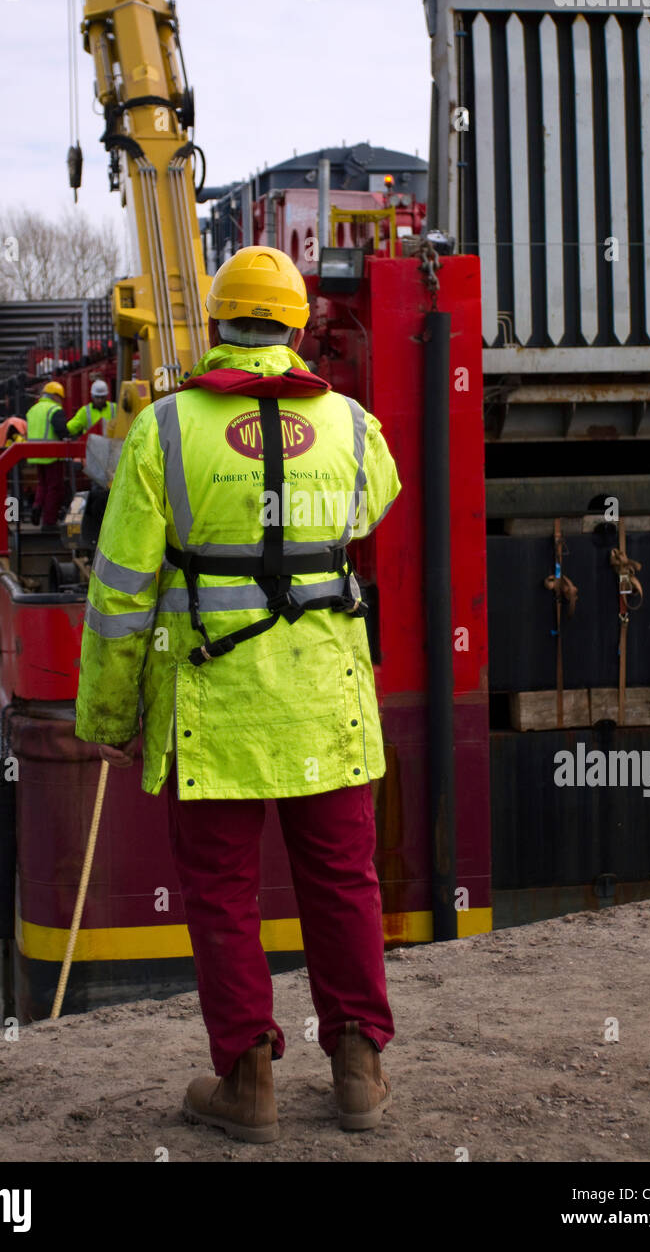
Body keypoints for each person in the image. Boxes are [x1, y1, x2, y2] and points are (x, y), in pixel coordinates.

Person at [75, 246, 401, 1144]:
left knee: (222, 892)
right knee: (342, 881)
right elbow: (377, 501)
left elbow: (120, 594)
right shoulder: (351, 424)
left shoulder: (166, 430)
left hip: (210, 708)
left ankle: (249, 1080)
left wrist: (107, 716)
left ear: (217, 325)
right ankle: (360, 1074)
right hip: (324, 702)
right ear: (297, 327)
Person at [25, 380, 70, 528]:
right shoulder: (54, 410)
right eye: (61, 398)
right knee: (55, 488)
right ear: (56, 396)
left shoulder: (33, 409)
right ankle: (49, 522)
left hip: (35, 454)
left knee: (42, 484)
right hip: (52, 455)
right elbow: (62, 431)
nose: (61, 402)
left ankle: (37, 506)